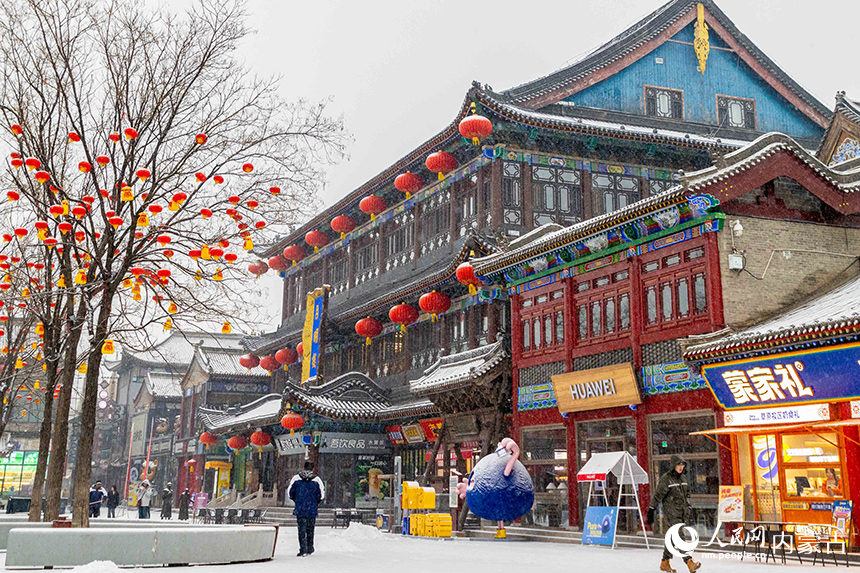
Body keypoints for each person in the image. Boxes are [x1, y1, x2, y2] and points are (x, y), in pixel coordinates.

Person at [647, 455, 701, 573]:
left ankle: (665, 562)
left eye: (682, 465)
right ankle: (689, 562)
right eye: (678, 465)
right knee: (679, 536)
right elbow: (658, 495)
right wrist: (651, 509)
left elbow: (687, 494)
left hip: (682, 512)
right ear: (673, 466)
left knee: (672, 537)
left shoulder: (683, 478)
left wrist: (688, 506)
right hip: (671, 511)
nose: (681, 467)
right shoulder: (666, 479)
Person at [288, 461, 325, 557]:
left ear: (303, 467)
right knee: (310, 529)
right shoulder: (317, 479)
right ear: (313, 468)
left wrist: (298, 501)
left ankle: (302, 549)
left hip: (300, 509)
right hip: (312, 509)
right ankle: (309, 547)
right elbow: (321, 495)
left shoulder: (296, 478)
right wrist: (314, 503)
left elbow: (290, 493)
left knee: (301, 530)